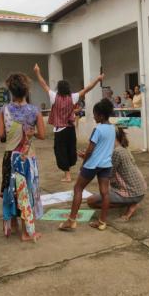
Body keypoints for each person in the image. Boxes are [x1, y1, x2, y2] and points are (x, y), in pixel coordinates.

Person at [34, 63, 104, 182]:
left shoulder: (54, 96)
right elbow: (87, 89)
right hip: (70, 128)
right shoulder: (73, 97)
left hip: (60, 129)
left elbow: (43, 84)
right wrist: (97, 79)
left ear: (59, 88)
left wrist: (37, 72)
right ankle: (76, 169)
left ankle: (67, 175)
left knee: (61, 151)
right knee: (71, 149)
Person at [0, 72, 45, 242]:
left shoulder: (4, 110)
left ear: (11, 90)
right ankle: (26, 232)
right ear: (26, 90)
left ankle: (14, 224)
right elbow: (42, 135)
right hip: (27, 157)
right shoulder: (34, 111)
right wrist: (29, 133)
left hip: (10, 156)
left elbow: (0, 135)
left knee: (10, 190)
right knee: (27, 192)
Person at [59, 98, 115, 231]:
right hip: (106, 165)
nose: (94, 117)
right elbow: (103, 147)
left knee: (78, 189)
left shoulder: (98, 129)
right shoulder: (113, 128)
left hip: (92, 165)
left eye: (95, 114)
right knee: (105, 193)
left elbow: (90, 149)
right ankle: (102, 222)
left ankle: (71, 220)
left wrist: (84, 161)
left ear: (101, 115)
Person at [86, 126, 146, 221]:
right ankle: (131, 202)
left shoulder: (116, 152)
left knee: (91, 201)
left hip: (131, 192)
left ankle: (130, 204)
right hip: (140, 190)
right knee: (101, 195)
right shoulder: (123, 148)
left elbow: (107, 174)